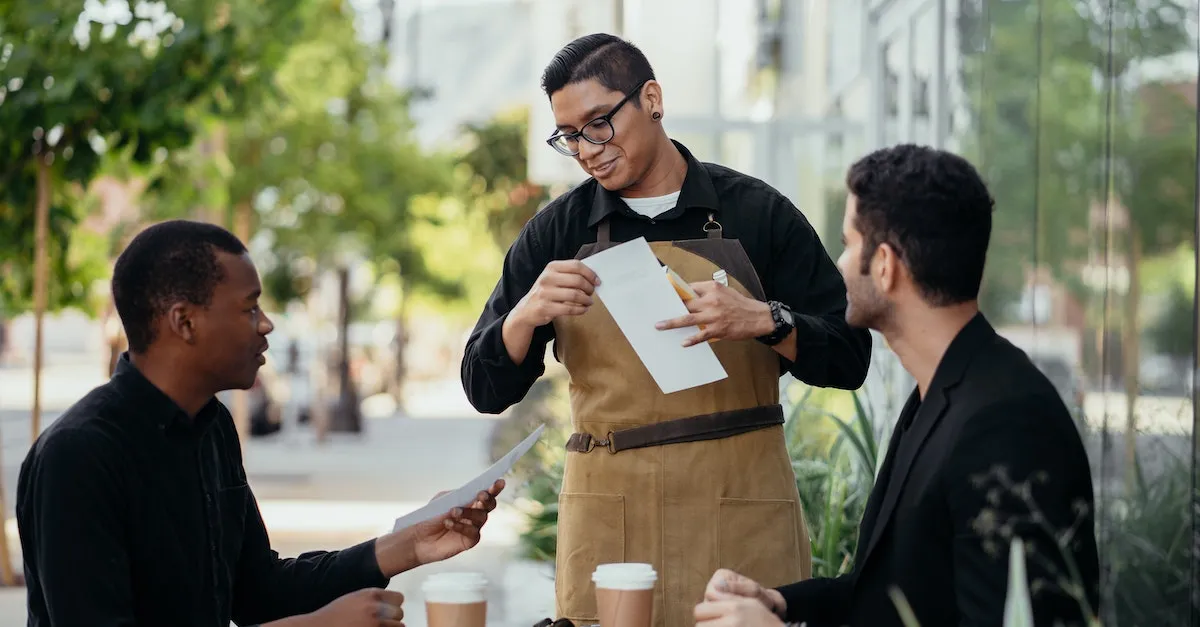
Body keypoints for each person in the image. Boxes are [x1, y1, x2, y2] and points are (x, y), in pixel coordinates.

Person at [460, 33, 872, 627]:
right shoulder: (556, 231)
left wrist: (765, 319)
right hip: (609, 521)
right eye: (569, 136)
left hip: (742, 510)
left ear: (651, 98)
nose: (586, 150)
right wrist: (525, 316)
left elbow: (850, 358)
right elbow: (482, 386)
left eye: (598, 124)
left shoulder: (759, 214)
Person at [16, 220, 505, 627]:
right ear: (184, 322)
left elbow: (258, 593)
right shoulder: (79, 455)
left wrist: (405, 545)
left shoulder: (212, 428)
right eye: (249, 307)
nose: (267, 324)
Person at [692, 145, 1100, 627]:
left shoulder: (1006, 423)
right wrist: (780, 604)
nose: (840, 265)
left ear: (884, 265)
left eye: (848, 243)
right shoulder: (944, 393)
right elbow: (890, 595)